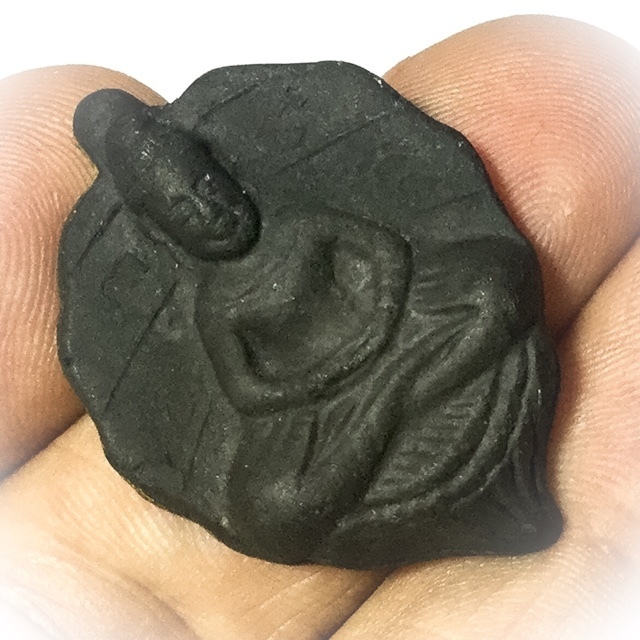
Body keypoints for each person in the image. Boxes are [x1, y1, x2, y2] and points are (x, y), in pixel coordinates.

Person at [0, 14, 639, 639]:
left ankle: (399, 401)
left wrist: (376, 332)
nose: (208, 211)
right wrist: (324, 385)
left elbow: (387, 263)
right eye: (184, 211)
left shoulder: (304, 228)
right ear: (167, 233)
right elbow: (248, 389)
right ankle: (399, 399)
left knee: (492, 286)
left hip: (405, 330)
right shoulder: (215, 306)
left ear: (228, 181)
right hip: (325, 406)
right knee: (271, 506)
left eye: (208, 188)